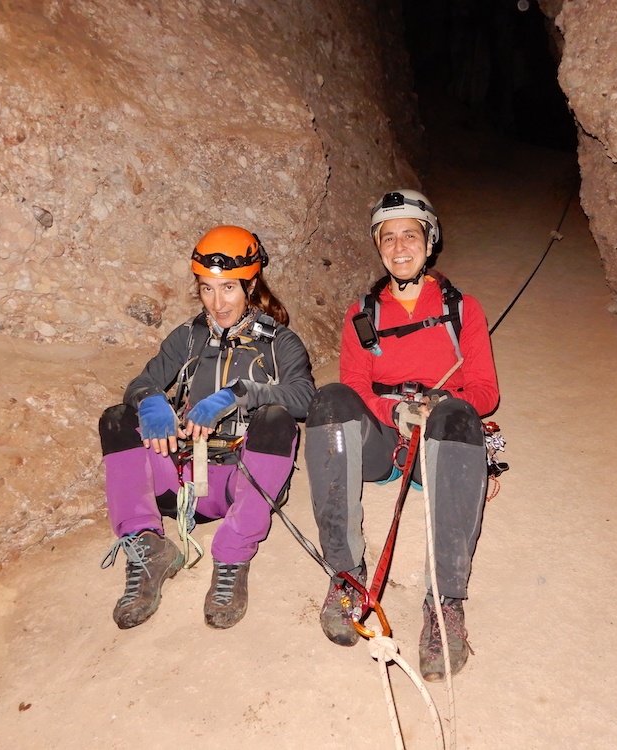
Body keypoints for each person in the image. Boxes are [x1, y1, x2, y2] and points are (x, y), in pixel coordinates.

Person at [304, 189, 499, 681]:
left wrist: (439, 408)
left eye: (409, 235)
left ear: (428, 243)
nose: (398, 247)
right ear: (378, 247)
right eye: (387, 238)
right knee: (328, 400)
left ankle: (444, 602)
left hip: (438, 442)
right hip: (385, 442)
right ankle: (347, 574)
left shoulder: (462, 309)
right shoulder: (362, 314)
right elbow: (353, 386)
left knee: (459, 415)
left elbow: (484, 391)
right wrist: (393, 411)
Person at [99, 225, 315, 631]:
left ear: (250, 284)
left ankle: (232, 555)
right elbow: (141, 382)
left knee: (277, 419)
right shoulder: (187, 337)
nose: (218, 303)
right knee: (116, 418)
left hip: (237, 481)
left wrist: (241, 393)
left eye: (229, 288)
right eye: (207, 289)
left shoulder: (280, 342)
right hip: (179, 482)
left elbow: (304, 396)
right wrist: (151, 401)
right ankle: (148, 547)